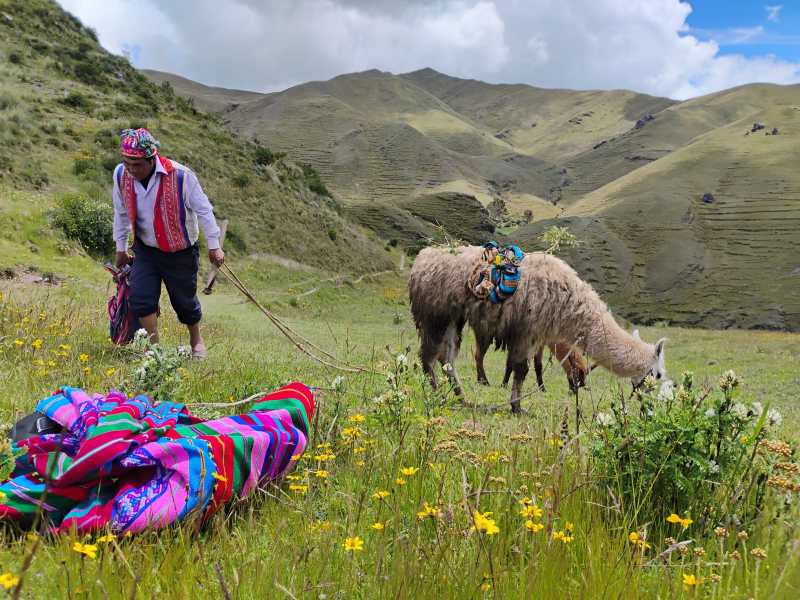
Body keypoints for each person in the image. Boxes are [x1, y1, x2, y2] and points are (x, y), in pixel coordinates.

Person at [112, 128, 224, 358]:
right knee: (141, 298)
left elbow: (204, 210)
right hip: (146, 250)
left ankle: (196, 340)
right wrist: (120, 248)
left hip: (180, 251)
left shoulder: (182, 176)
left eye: (138, 165)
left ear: (152, 159)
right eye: (128, 163)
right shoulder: (121, 175)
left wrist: (215, 246)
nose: (132, 170)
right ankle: (154, 350)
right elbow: (121, 213)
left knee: (184, 303)